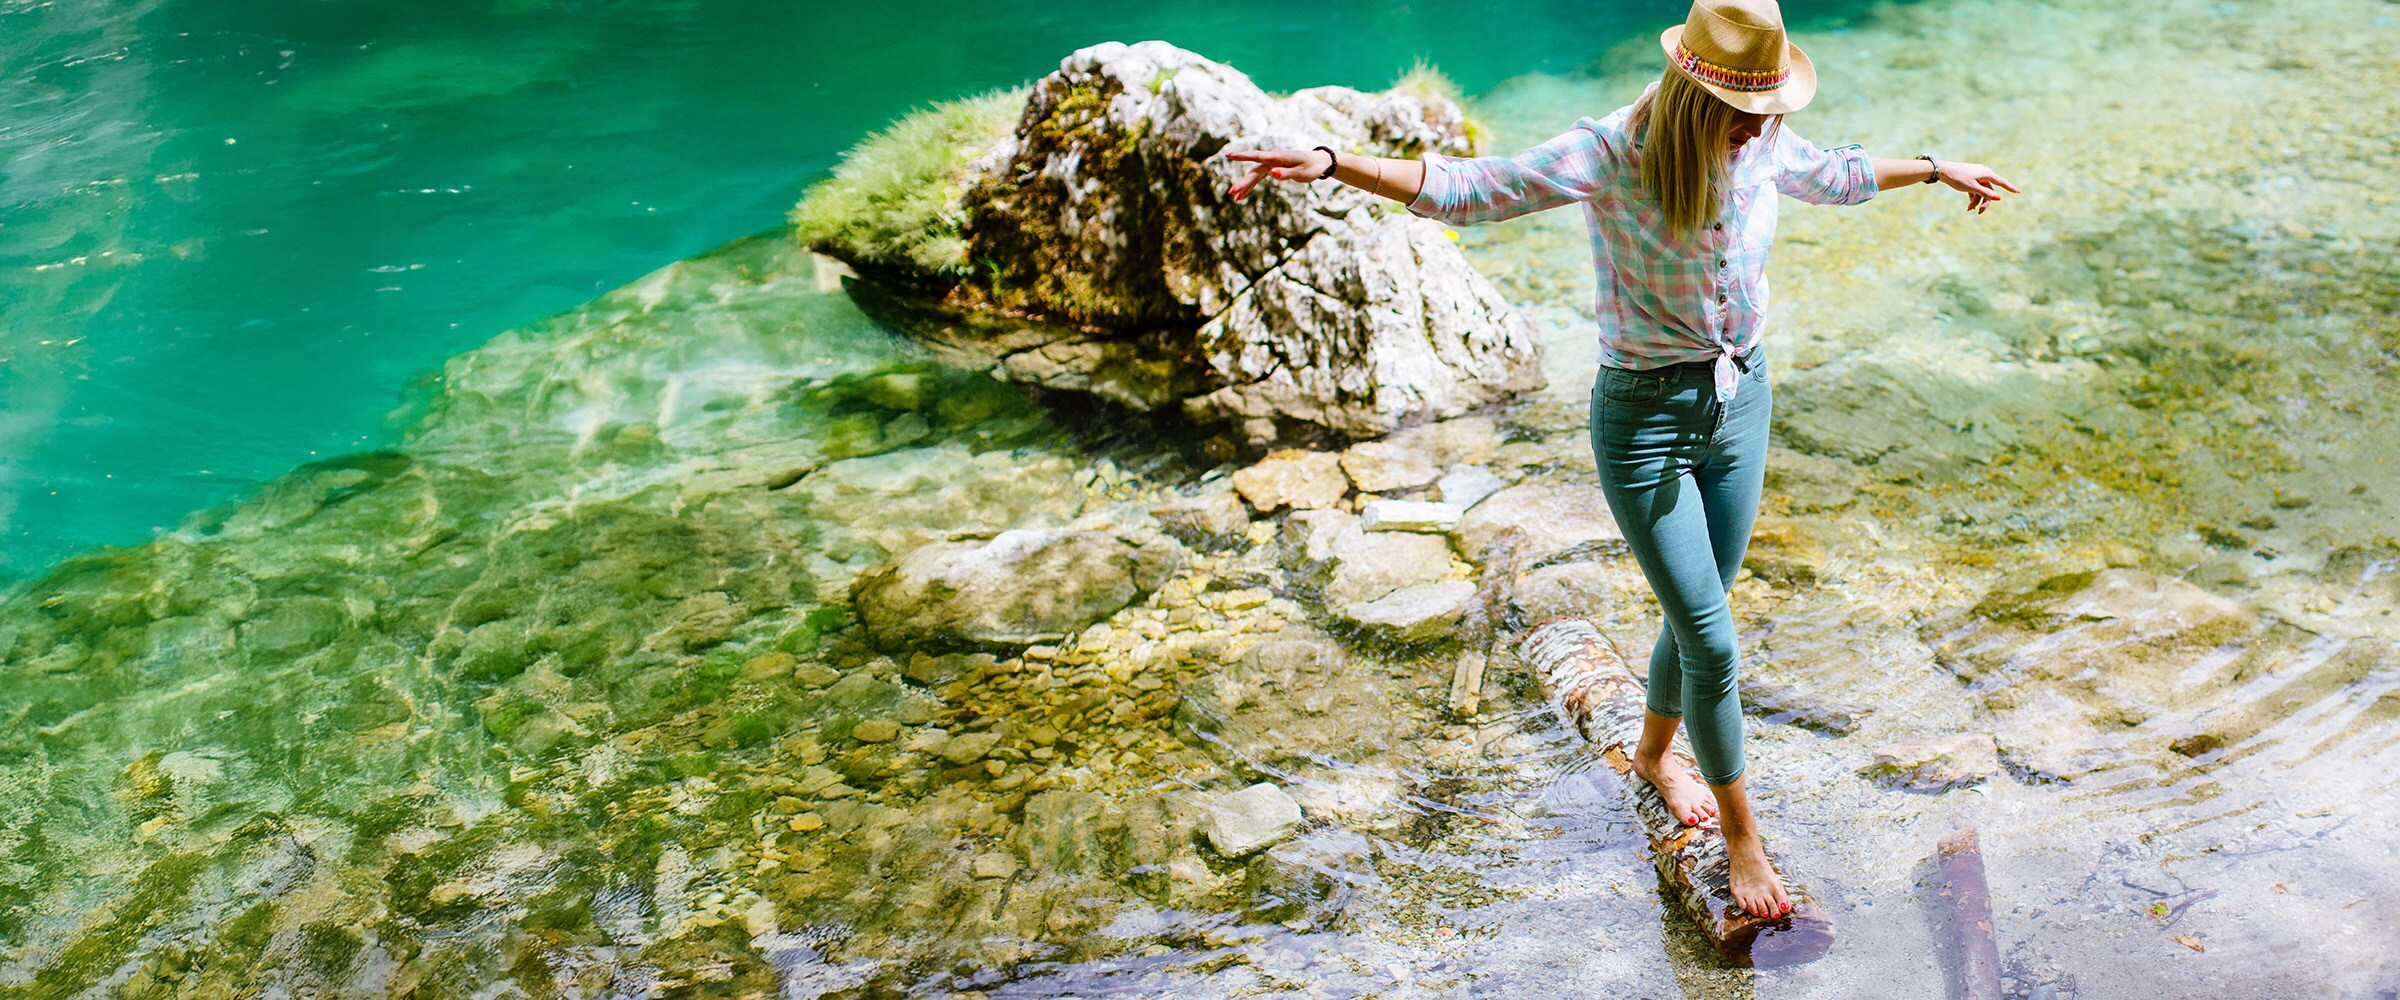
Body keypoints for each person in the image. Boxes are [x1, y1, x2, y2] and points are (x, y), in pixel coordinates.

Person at [1220, 0, 2019, 919]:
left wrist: (1934, 168)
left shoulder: (1759, 138)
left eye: (1770, 113)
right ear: (1695, 96)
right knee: (1714, 638)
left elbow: (1831, 173)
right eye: (1747, 114)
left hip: (1742, 400)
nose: (1764, 131)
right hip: (1643, 422)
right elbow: (1471, 190)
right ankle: (1742, 839)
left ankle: (1648, 757)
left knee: (1700, 612)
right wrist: (1330, 161)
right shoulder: (1611, 151)